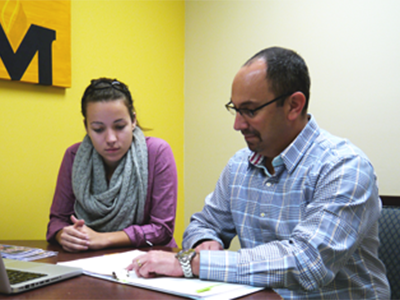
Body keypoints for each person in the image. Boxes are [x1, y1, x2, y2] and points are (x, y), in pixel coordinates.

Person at [127, 47, 390, 299]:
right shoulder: (239, 165)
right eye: (236, 109)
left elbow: (307, 262)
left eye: (250, 111)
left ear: (294, 105)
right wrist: (205, 241)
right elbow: (203, 224)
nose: (237, 124)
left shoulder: (345, 167)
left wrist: (192, 263)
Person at [46, 78, 178, 252]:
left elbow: (162, 230)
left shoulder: (157, 152)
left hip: (148, 263)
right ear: (86, 127)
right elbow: (57, 221)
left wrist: (103, 239)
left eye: (119, 126)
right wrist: (64, 234)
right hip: (88, 260)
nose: (111, 139)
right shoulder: (73, 156)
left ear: (133, 120)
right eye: (98, 129)